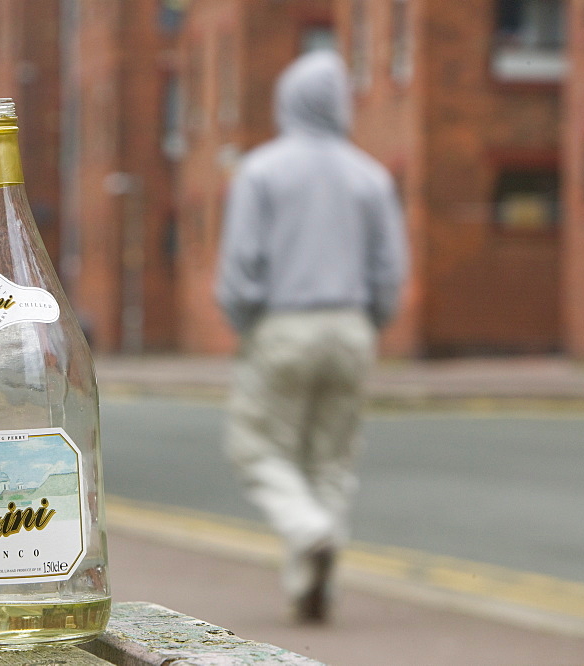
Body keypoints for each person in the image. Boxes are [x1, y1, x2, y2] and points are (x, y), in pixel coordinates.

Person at [215, 50, 409, 624]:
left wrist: (245, 323)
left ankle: (308, 532)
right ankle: (311, 581)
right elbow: (391, 268)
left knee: (256, 447)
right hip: (351, 326)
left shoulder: (262, 171)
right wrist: (370, 321)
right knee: (331, 461)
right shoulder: (371, 176)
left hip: (282, 323)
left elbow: (240, 267)